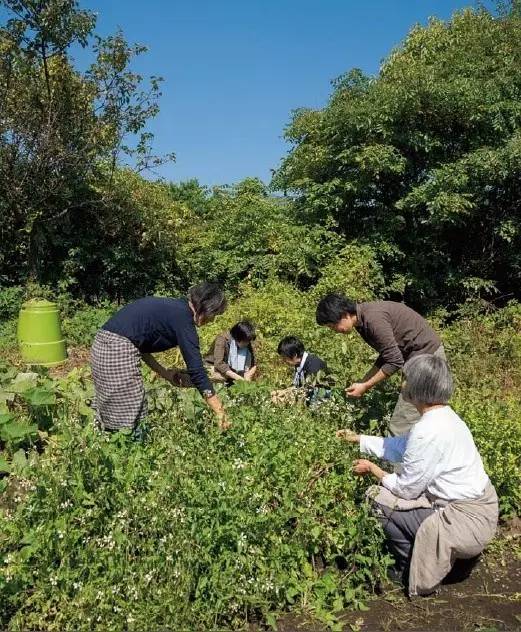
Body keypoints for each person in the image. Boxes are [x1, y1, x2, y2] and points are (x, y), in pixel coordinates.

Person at [337, 354, 498, 595]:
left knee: (376, 499)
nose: (402, 384)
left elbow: (406, 490)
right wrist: (358, 439)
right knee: (399, 494)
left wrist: (374, 470)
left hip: (464, 522)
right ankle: (452, 561)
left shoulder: (428, 430)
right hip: (481, 512)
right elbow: (401, 447)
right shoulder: (444, 417)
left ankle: (408, 567)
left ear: (419, 387)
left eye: (405, 380)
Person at [91, 282, 229, 433]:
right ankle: (129, 449)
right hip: (115, 350)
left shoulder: (175, 309)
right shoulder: (183, 319)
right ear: (206, 307)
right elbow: (197, 371)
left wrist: (166, 374)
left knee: (115, 407)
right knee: (132, 414)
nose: (212, 320)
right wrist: (219, 411)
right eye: (214, 315)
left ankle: (112, 443)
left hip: (103, 345)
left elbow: (139, 346)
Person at [316, 294, 445, 436]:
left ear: (345, 315)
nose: (334, 330)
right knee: (427, 416)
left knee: (401, 424)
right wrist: (363, 382)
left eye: (333, 325)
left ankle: (395, 458)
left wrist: (366, 386)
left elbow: (394, 361)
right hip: (419, 357)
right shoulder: (362, 321)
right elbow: (386, 355)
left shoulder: (373, 320)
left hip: (426, 359)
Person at [272, 336, 329, 405]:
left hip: (319, 400)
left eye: (284, 358)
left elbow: (311, 391)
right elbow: (298, 386)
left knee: (278, 400)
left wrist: (286, 394)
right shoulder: (299, 363)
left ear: (294, 355)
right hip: (307, 395)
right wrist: (284, 391)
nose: (284, 361)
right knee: (276, 395)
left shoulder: (313, 365)